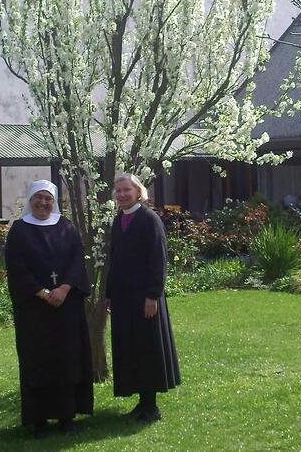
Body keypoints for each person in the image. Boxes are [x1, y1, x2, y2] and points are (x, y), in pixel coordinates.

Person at [4, 180, 93, 438]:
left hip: (66, 308)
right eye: (38, 198)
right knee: (37, 362)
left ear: (54, 201)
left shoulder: (66, 228)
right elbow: (17, 268)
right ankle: (39, 420)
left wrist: (64, 288)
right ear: (30, 200)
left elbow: (77, 260)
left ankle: (67, 417)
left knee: (67, 361)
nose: (43, 203)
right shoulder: (19, 231)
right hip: (34, 310)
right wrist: (43, 293)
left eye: (48, 199)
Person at [105, 173, 181, 423]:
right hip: (123, 297)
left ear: (138, 192)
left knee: (148, 348)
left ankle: (152, 406)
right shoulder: (119, 221)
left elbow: (158, 259)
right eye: (118, 191)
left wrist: (153, 295)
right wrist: (108, 294)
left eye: (126, 190)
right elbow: (113, 260)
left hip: (145, 297)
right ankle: (142, 402)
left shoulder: (149, 219)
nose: (122, 194)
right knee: (132, 347)